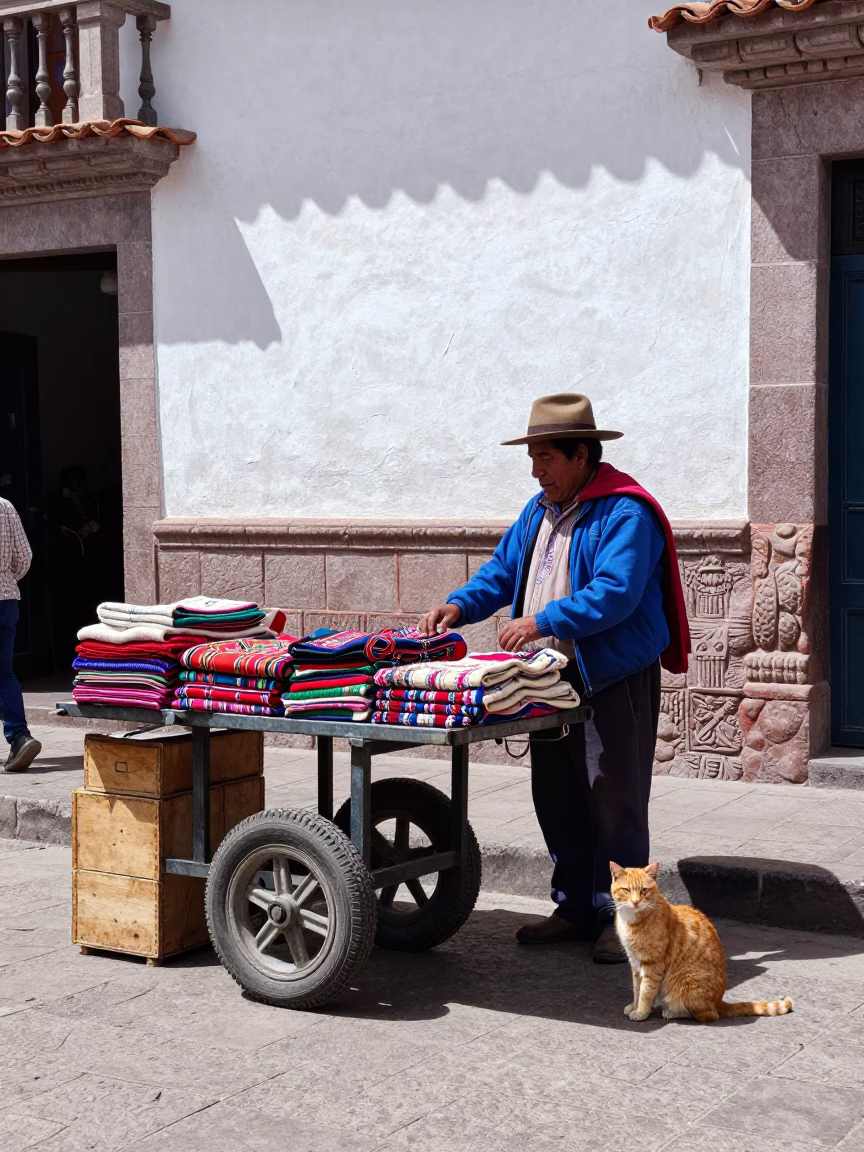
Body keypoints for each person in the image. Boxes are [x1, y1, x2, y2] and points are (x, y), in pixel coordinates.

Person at [418, 394, 689, 963]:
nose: (537, 470)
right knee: (558, 795)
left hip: (610, 674)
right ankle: (575, 906)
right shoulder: (538, 510)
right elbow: (500, 572)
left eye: (546, 458)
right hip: (549, 677)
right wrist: (458, 606)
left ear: (582, 454)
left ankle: (628, 921)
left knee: (613, 798)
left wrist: (543, 619)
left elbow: (617, 592)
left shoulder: (625, 513)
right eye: (534, 459)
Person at [0, 498, 42, 773]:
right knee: (4, 672)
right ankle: (19, 736)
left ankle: (19, 738)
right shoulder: (4, 506)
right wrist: (5, 577)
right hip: (5, 600)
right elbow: (24, 557)